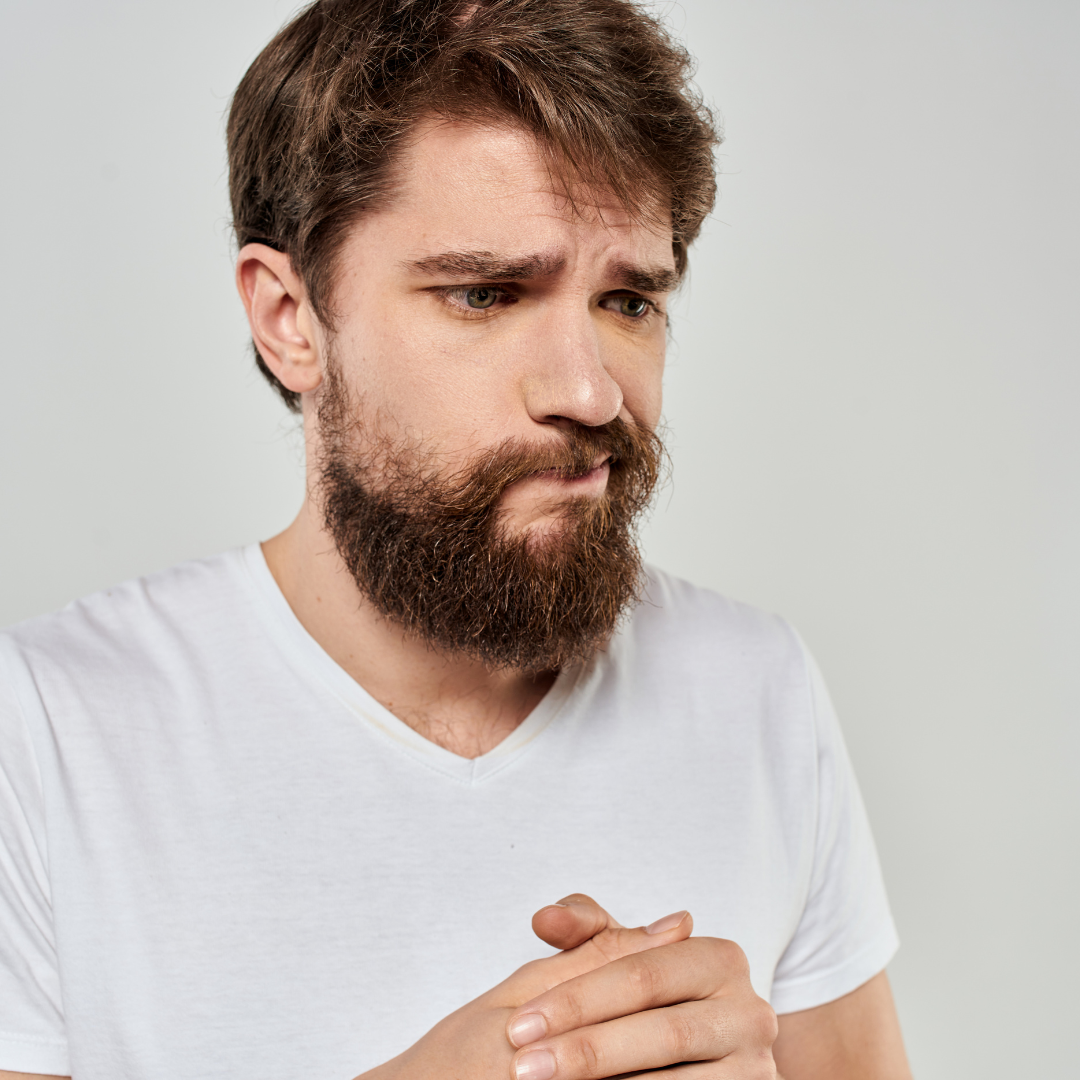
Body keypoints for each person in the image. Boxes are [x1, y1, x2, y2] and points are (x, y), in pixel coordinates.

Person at [0, 1, 912, 1077]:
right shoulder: (50, 732)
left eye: (628, 300)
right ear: (291, 318)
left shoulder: (758, 689)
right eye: (484, 293)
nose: (586, 391)